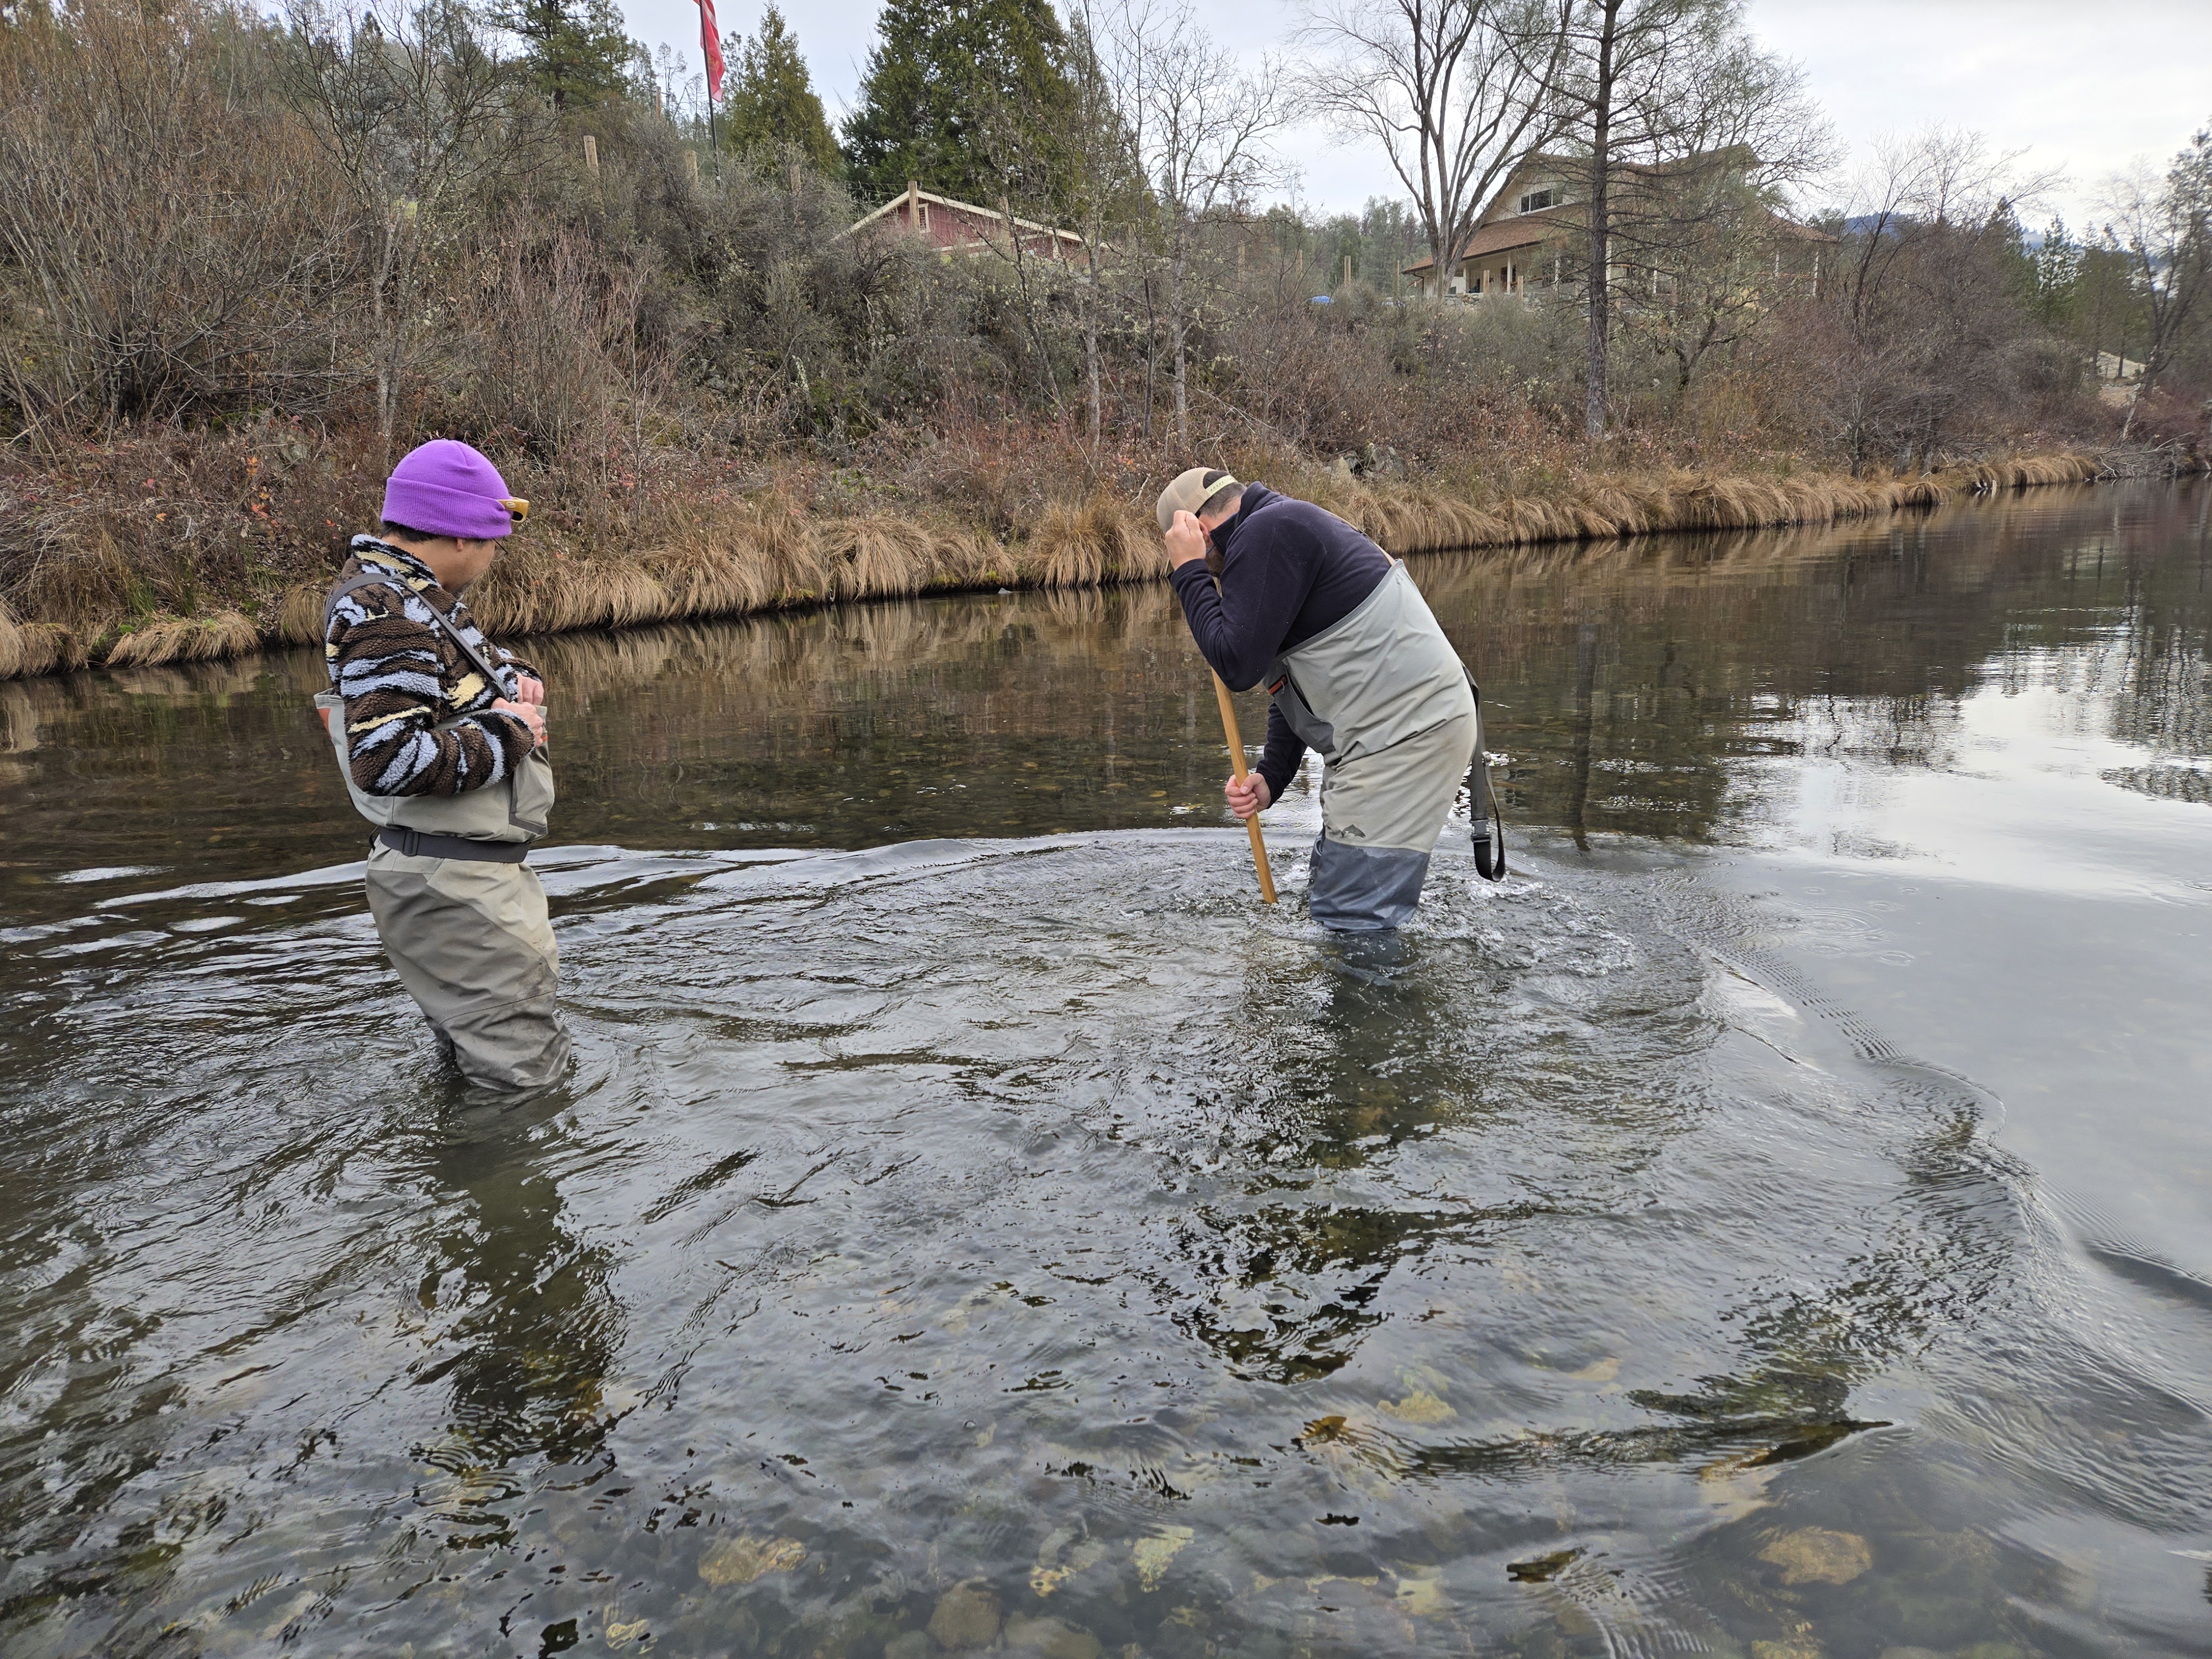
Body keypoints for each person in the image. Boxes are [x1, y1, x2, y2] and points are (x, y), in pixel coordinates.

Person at [314, 439, 570, 1091]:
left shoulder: (417, 597)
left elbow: (466, 666)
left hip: (460, 882)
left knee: (474, 1075)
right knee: (522, 1093)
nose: (492, 556)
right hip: (456, 890)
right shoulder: (386, 612)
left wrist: (516, 681)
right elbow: (388, 758)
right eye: (492, 540)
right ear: (461, 536)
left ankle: (456, 1172)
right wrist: (511, 733)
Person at [1158, 467, 1485, 931]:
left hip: (1403, 738)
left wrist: (1189, 572)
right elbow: (1291, 682)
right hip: (1398, 733)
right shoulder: (1277, 531)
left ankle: (1374, 994)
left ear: (1200, 532)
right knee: (1330, 891)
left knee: (1352, 920)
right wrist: (1272, 776)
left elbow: (1236, 665)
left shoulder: (1267, 533)